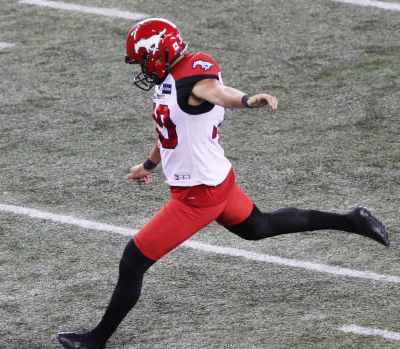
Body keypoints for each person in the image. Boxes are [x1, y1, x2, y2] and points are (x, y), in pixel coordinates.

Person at [56, 18, 390, 349]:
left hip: (197, 196)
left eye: (143, 59)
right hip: (217, 180)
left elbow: (218, 92)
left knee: (133, 261)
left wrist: (247, 100)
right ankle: (352, 220)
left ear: (159, 53)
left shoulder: (192, 80)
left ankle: (96, 340)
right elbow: (170, 127)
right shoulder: (171, 77)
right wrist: (149, 165)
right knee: (258, 226)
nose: (141, 67)